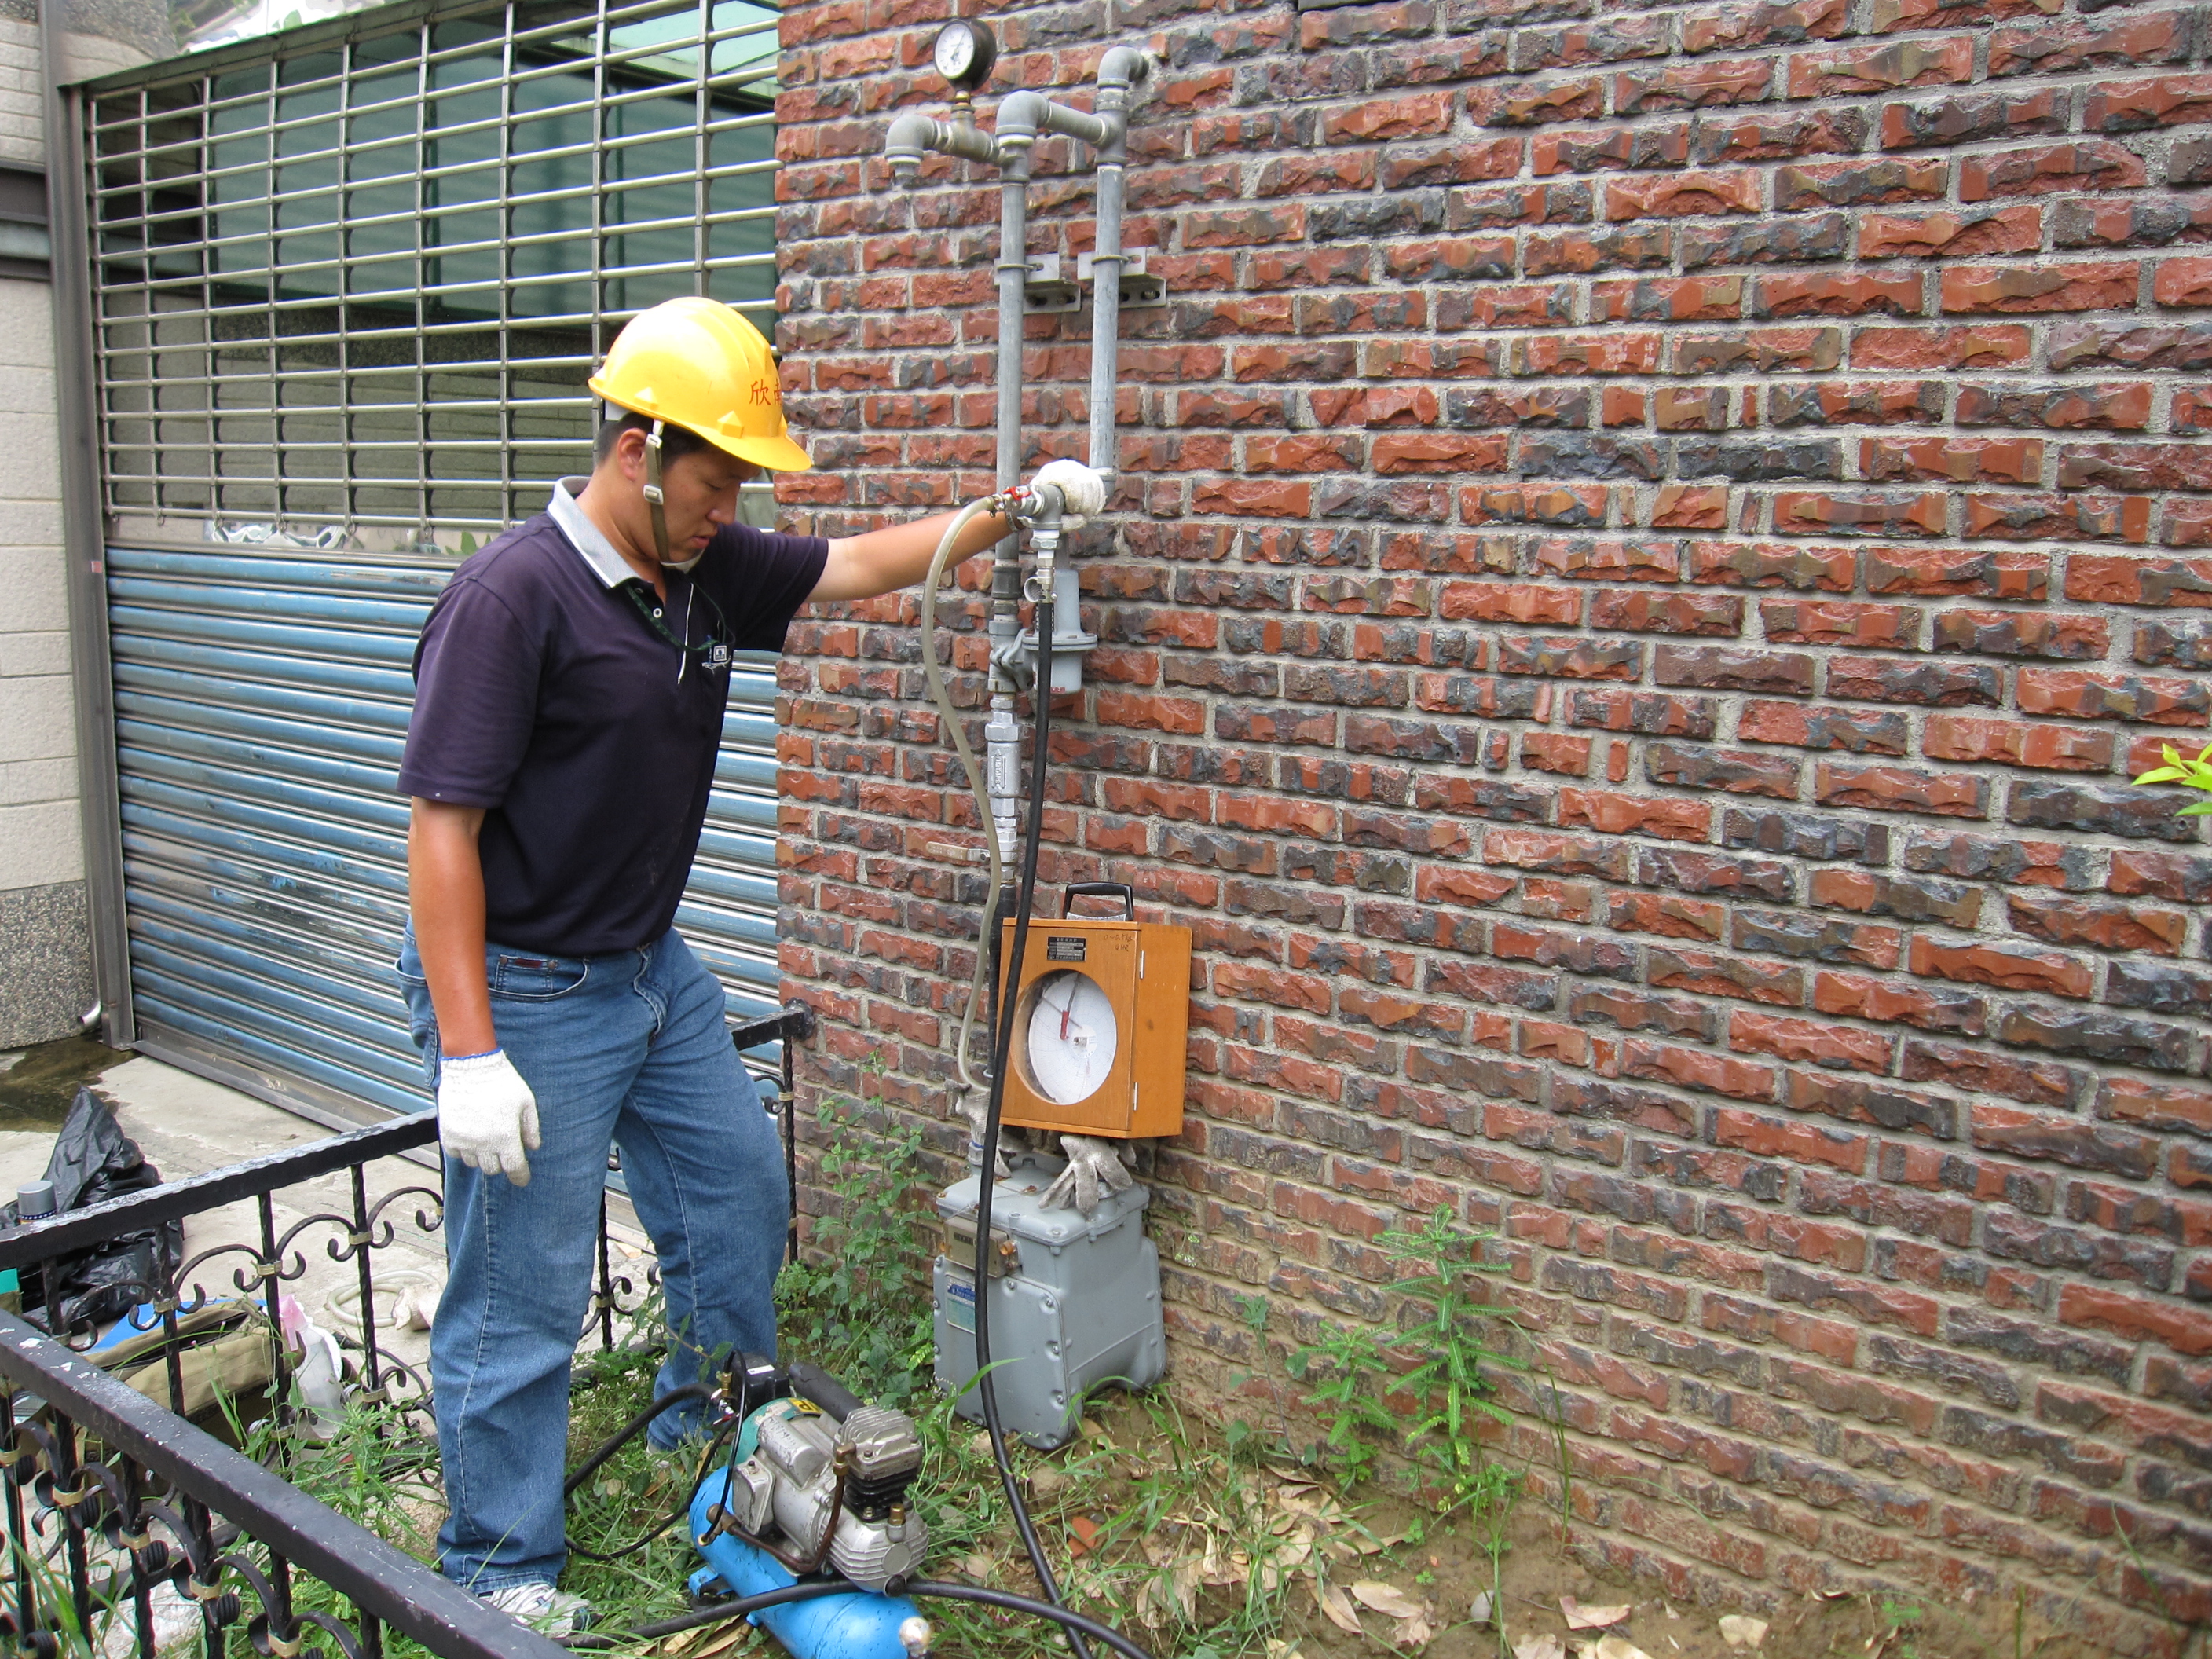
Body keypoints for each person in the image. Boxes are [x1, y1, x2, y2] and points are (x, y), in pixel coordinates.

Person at [394, 295, 1103, 1632]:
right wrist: (472, 1051)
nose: (731, 509)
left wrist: (1023, 506)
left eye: (738, 489)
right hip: (531, 985)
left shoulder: (701, 570)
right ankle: (497, 1573)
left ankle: (704, 1435)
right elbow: (443, 828)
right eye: (715, 481)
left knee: (735, 1200)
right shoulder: (512, 600)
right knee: (520, 1293)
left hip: (650, 972)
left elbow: (861, 566)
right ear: (636, 454)